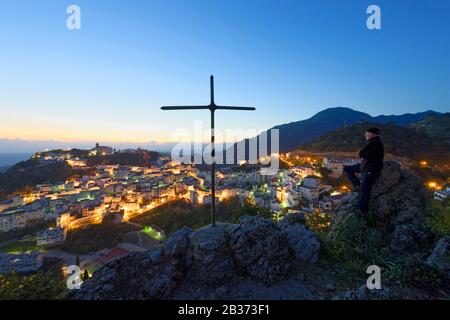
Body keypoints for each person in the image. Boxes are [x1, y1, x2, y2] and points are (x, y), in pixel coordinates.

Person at [344, 127, 384, 213]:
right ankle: (357, 185)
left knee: (365, 189)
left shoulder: (374, 143)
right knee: (347, 169)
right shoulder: (375, 142)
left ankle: (362, 209)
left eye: (367, 133)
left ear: (372, 134)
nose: (365, 135)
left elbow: (361, 154)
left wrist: (365, 154)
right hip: (364, 166)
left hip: (370, 168)